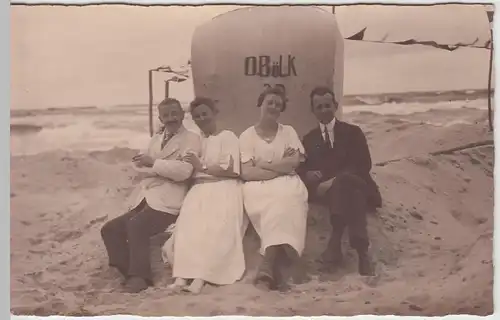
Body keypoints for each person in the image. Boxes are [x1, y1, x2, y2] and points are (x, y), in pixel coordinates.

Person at [100, 98, 201, 293]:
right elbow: (137, 163)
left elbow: (184, 172)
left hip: (170, 202)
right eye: (166, 115)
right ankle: (128, 272)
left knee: (137, 225)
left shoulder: (191, 139)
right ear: (160, 118)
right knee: (110, 229)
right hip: (148, 197)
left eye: (174, 114)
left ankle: (141, 277)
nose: (171, 119)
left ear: (182, 114)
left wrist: (153, 165)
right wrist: (155, 167)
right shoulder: (156, 138)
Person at [297, 86, 382, 276]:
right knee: (354, 196)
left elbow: (363, 165)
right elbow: (302, 168)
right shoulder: (309, 139)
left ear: (335, 106)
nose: (324, 110)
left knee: (346, 184)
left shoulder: (353, 132)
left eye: (328, 105)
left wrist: (334, 179)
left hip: (356, 182)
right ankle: (362, 254)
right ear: (313, 111)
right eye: (319, 107)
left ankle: (335, 242)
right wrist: (310, 176)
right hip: (337, 192)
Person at [167, 97, 246, 294]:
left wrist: (200, 165)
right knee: (188, 225)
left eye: (205, 114)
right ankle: (182, 276)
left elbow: (232, 171)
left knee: (214, 227)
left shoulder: (228, 137)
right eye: (197, 117)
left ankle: (201, 278)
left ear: (214, 113)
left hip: (224, 187)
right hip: (200, 188)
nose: (202, 119)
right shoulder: (197, 140)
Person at [239, 86, 309, 291]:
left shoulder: (288, 132)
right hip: (257, 186)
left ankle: (268, 265)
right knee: (275, 203)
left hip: (287, 183)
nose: (274, 107)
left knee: (288, 199)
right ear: (261, 104)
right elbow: (247, 172)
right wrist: (280, 166)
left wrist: (264, 165)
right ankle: (287, 261)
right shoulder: (246, 136)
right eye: (270, 102)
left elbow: (294, 162)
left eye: (278, 104)